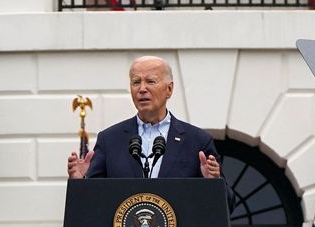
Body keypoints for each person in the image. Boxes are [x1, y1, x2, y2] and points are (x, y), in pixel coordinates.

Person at [66, 55, 224, 181]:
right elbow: (92, 201)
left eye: (150, 81)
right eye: (136, 82)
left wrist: (213, 184)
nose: (142, 89)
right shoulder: (109, 140)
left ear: (169, 89)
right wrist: (80, 182)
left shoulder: (197, 141)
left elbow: (227, 204)